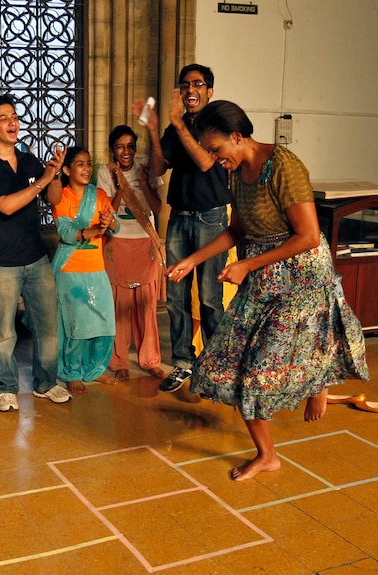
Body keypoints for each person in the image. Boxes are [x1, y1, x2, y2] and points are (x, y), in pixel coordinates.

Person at [166, 101, 369, 482]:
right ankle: (268, 456)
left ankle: (317, 379)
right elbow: (236, 231)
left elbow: (308, 236)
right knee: (224, 362)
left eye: (215, 149)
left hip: (301, 277)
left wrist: (246, 265)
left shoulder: (284, 167)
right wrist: (193, 260)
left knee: (259, 371)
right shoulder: (235, 172)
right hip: (260, 274)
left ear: (238, 136)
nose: (211, 158)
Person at [0, 94, 71, 412]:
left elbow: (53, 197)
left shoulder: (29, 161)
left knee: (48, 327)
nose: (12, 122)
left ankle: (46, 384)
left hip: (36, 257)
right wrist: (42, 180)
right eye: (3, 118)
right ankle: (6, 387)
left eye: (14, 116)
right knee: (2, 332)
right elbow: (6, 205)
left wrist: (54, 173)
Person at [135, 64, 230, 393]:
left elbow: (206, 162)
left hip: (211, 220)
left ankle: (217, 371)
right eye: (185, 84)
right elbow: (159, 168)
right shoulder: (177, 127)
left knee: (210, 300)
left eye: (198, 84)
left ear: (209, 91)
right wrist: (153, 129)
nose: (191, 89)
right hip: (179, 218)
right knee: (175, 298)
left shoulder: (218, 120)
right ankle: (184, 364)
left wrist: (177, 123)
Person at [96, 126, 166, 381]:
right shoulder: (105, 171)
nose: (126, 152)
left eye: (130, 146)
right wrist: (120, 186)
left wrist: (147, 182)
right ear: (112, 149)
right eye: (120, 147)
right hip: (118, 242)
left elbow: (157, 207)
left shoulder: (146, 166)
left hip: (144, 241)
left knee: (146, 305)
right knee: (120, 305)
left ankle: (150, 360)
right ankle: (119, 361)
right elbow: (107, 213)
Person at [50, 146, 119, 394]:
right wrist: (91, 232)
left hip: (96, 267)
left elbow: (115, 225)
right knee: (75, 326)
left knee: (104, 323)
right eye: (80, 164)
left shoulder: (98, 194)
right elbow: (65, 232)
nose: (87, 168)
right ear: (67, 169)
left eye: (88, 163)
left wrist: (108, 222)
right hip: (70, 269)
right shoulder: (62, 197)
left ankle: (95, 370)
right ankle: (71, 373)